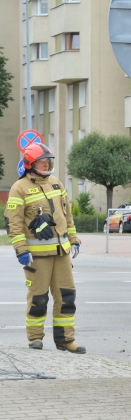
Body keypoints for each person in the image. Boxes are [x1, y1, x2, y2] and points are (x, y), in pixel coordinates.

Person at [3, 143, 85, 353]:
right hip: (36, 257)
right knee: (38, 298)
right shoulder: (19, 188)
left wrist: (74, 239)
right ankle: (35, 338)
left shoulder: (56, 183)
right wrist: (21, 250)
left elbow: (67, 216)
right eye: (43, 160)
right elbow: (14, 223)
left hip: (61, 253)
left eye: (49, 160)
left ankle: (66, 340)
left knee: (67, 297)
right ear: (31, 163)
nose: (48, 164)